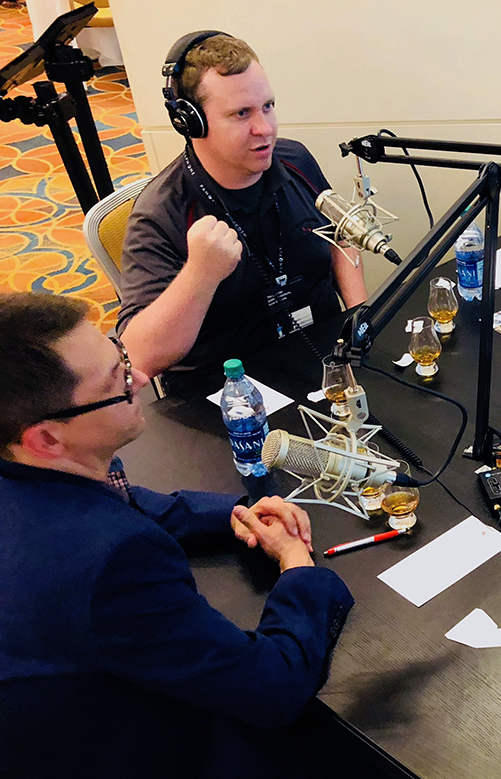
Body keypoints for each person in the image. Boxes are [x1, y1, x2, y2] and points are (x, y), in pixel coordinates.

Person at [0, 292, 354, 777]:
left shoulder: (29, 460)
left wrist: (233, 512)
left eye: (121, 356)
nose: (141, 379)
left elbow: (122, 495)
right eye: (117, 382)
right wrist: (300, 569)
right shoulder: (113, 560)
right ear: (46, 437)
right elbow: (271, 688)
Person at [117, 32, 367, 397]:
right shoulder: (160, 214)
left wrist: (360, 320)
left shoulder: (294, 159)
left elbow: (340, 239)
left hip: (325, 360)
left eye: (267, 106)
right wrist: (200, 275)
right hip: (232, 397)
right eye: (241, 114)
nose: (264, 128)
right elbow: (137, 357)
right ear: (191, 122)